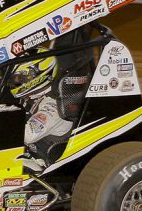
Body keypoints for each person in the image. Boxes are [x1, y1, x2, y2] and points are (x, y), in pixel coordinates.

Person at [9, 26, 93, 165]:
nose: (14, 82)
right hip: (29, 152)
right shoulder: (34, 96)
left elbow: (26, 135)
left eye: (18, 78)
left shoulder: (54, 107)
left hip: (44, 164)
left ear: (37, 76)